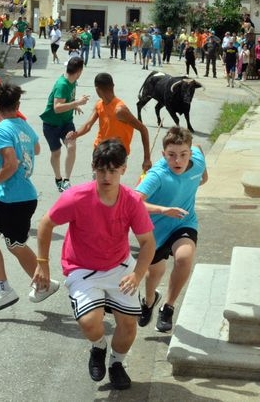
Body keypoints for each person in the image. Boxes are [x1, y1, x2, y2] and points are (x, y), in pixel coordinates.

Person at [34, 139, 155, 390]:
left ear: (123, 169)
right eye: (101, 170)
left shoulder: (132, 201)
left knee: (129, 323)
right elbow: (46, 224)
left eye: (113, 170)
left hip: (120, 266)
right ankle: (99, 346)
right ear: (93, 168)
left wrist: (138, 275)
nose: (106, 176)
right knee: (90, 321)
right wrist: (42, 263)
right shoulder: (77, 197)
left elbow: (147, 243)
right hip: (82, 267)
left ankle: (117, 363)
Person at [0, 82, 58, 315]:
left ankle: (44, 283)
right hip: (11, 196)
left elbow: (11, 163)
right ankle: (3, 289)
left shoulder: (1, 130)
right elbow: (37, 149)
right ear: (18, 105)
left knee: (16, 245)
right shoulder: (23, 126)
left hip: (16, 197)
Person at [136, 127, 208, 333]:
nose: (178, 160)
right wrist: (162, 210)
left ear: (190, 152)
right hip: (155, 231)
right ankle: (149, 301)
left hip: (184, 222)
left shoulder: (197, 160)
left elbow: (200, 149)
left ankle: (168, 306)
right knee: (154, 274)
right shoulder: (157, 175)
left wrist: (203, 177)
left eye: (183, 154)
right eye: (172, 155)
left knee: (184, 258)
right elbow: (132, 203)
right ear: (163, 154)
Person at [68, 73, 152, 173]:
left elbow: (143, 129)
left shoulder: (120, 110)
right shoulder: (99, 104)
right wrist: (75, 135)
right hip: (100, 151)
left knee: (110, 185)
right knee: (99, 184)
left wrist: (147, 158)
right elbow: (88, 125)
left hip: (117, 155)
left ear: (97, 89)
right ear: (113, 86)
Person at [40, 57, 89, 193]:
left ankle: (67, 180)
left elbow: (66, 101)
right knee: (56, 153)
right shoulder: (62, 84)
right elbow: (57, 107)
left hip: (66, 122)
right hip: (51, 124)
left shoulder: (72, 80)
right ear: (79, 71)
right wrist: (77, 103)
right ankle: (58, 179)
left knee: (71, 146)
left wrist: (74, 106)